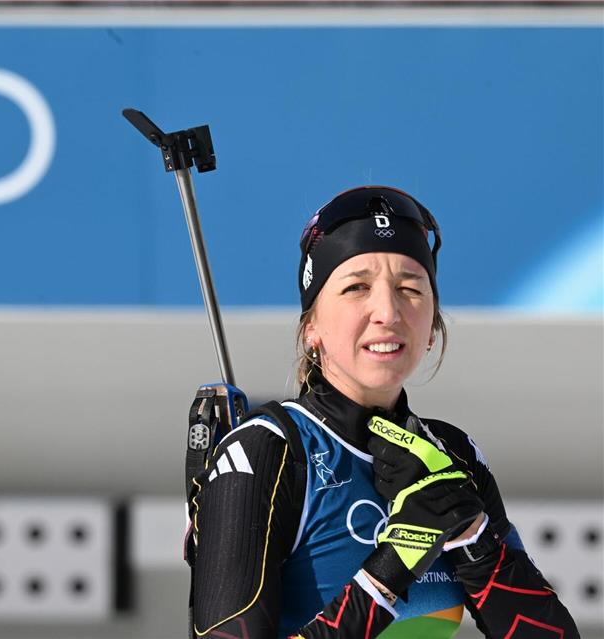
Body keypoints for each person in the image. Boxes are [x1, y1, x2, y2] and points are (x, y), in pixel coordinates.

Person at [184, 186, 579, 639]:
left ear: (432, 327)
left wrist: (473, 535)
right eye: (356, 287)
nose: (388, 312)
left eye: (410, 288)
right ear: (311, 326)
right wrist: (392, 567)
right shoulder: (266, 450)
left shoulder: (452, 453)